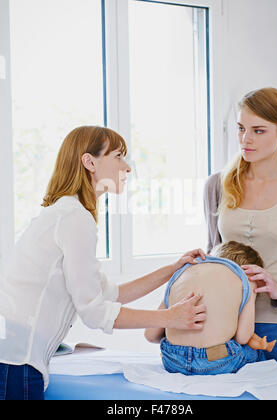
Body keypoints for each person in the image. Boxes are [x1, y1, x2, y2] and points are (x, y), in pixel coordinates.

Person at [0, 126, 207, 400]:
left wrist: (172, 269)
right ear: (89, 162)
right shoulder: (75, 218)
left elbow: (110, 293)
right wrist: (170, 317)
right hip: (15, 362)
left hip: (13, 357)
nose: (127, 167)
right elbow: (95, 312)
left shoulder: (65, 213)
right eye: (118, 156)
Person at [203, 87, 277, 363]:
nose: (245, 139)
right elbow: (214, 251)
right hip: (226, 326)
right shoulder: (217, 185)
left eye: (258, 130)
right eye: (241, 128)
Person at [145, 241, 275, 375]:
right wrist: (252, 290)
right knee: (253, 351)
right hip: (216, 361)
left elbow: (150, 335)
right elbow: (242, 337)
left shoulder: (182, 274)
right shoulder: (244, 282)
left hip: (172, 360)